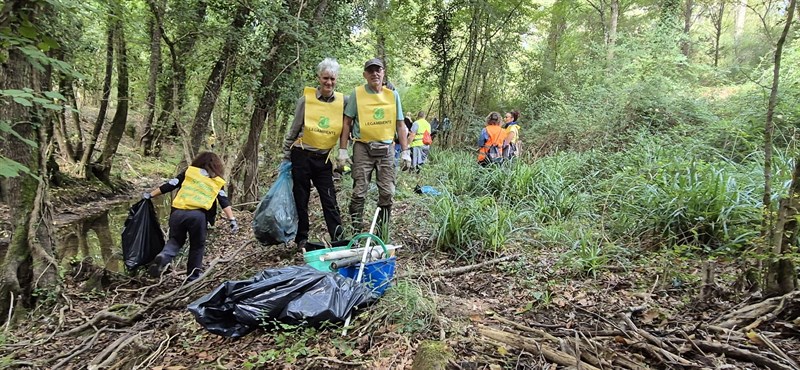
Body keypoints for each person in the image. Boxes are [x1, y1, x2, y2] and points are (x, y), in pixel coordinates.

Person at [337, 58, 410, 241]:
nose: (374, 74)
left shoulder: (392, 96)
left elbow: (400, 125)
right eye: (370, 71)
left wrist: (406, 151)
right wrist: (343, 150)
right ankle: (356, 233)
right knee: (359, 192)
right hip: (363, 147)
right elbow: (347, 122)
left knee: (387, 192)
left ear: (383, 72)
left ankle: (381, 234)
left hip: (386, 149)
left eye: (378, 70)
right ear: (365, 75)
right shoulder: (357, 94)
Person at [281, 58, 347, 250]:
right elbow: (294, 130)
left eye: (332, 79)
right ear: (319, 78)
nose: (329, 82)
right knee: (301, 199)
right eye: (325, 78)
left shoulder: (343, 102)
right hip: (302, 155)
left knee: (329, 199)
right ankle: (301, 239)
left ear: (337, 79)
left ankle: (338, 238)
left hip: (324, 159)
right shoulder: (306, 101)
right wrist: (286, 158)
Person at [143, 152, 238, 281]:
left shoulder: (189, 172)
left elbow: (171, 184)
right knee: (197, 246)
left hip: (178, 213)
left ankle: (165, 256)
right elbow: (223, 200)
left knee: (175, 240)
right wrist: (232, 219)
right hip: (198, 216)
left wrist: (150, 195)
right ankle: (193, 277)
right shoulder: (217, 181)